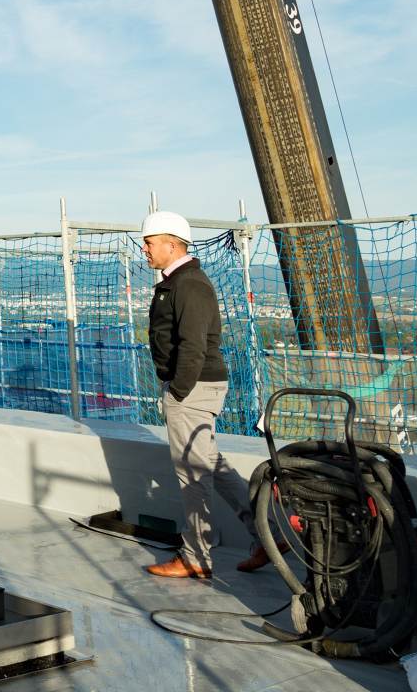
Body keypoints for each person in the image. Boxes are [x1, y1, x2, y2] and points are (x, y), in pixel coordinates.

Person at [139, 210, 270, 579]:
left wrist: (178, 391)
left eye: (149, 243)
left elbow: (193, 346)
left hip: (192, 390)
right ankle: (269, 535)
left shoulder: (189, 285)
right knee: (212, 464)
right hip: (195, 388)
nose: (144, 249)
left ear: (171, 243)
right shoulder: (178, 282)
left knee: (192, 474)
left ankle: (196, 556)